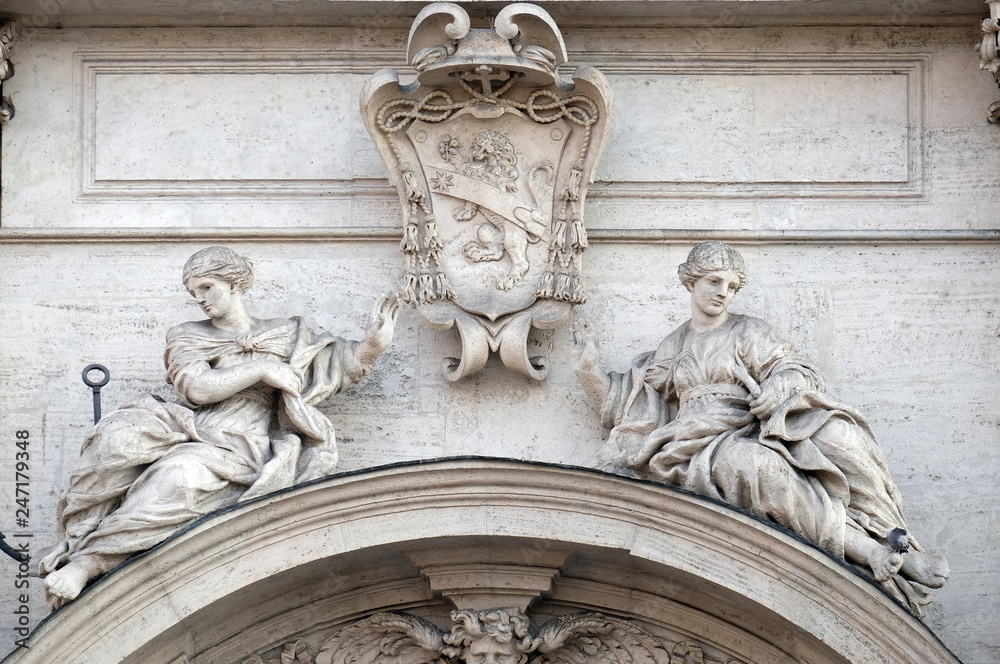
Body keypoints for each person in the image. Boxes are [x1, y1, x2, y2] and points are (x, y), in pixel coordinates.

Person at [572, 241, 948, 614]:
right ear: (690, 282)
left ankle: (884, 544)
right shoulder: (674, 344)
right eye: (714, 281)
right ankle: (867, 550)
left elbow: (795, 370)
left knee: (815, 444)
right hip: (690, 439)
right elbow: (631, 402)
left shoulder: (747, 331)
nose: (723, 292)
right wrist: (587, 371)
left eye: (732, 286)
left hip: (738, 422)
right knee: (753, 465)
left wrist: (774, 390)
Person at [39, 246, 401, 608]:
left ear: (234, 283)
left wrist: (372, 345)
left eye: (207, 287)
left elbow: (338, 368)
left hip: (245, 442)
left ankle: (88, 564)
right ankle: (82, 543)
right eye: (193, 292)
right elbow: (197, 387)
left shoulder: (289, 334)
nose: (200, 299)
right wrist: (260, 369)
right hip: (197, 426)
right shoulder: (187, 335)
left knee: (180, 475)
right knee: (121, 434)